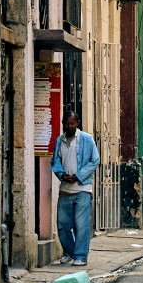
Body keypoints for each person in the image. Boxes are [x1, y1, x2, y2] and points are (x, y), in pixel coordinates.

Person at [51, 112, 100, 266]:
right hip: (65, 189)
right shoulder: (60, 140)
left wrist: (79, 176)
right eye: (66, 123)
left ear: (77, 123)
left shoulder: (86, 139)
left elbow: (95, 160)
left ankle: (80, 256)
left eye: (72, 123)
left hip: (82, 189)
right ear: (62, 123)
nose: (69, 126)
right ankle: (69, 252)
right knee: (63, 224)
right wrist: (61, 174)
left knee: (81, 224)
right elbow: (56, 161)